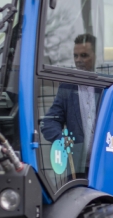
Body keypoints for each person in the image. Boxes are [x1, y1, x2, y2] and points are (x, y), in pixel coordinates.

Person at [40, 34, 100, 173]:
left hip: (104, 165)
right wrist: (61, 139)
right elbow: (48, 122)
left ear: (96, 56)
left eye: (84, 55)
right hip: (77, 168)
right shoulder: (67, 88)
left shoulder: (107, 88)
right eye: (75, 56)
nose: (78, 60)